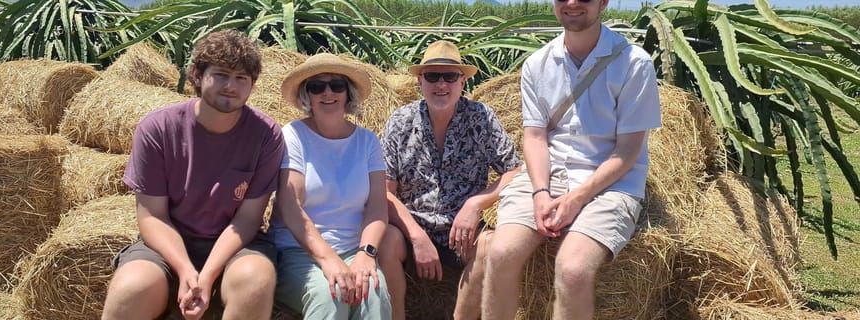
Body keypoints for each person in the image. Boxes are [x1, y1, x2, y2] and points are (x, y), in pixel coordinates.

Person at [481, 0, 662, 319]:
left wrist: (577, 198)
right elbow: (535, 138)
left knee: (573, 269)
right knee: (500, 253)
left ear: (604, 2)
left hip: (611, 182)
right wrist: (540, 193)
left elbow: (628, 151)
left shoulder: (634, 63)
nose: (573, 3)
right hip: (548, 174)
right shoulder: (537, 64)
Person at [102, 29, 284, 320]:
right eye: (221, 74)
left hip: (235, 245)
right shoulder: (157, 129)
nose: (231, 86)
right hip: (168, 243)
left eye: (241, 79)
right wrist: (185, 269)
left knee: (256, 279)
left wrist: (207, 275)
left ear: (252, 85)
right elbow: (152, 216)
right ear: (197, 75)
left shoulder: (266, 135)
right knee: (131, 287)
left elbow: (248, 219)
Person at [378, 40, 523, 320]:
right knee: (384, 241)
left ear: (463, 81)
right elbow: (384, 192)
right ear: (420, 81)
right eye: (432, 76)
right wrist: (416, 236)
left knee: (494, 247)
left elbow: (514, 170)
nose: (441, 84)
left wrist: (476, 205)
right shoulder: (400, 121)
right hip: (411, 230)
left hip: (462, 233)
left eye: (450, 76)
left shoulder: (480, 117)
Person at [268, 53, 391, 319]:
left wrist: (366, 254)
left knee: (375, 294)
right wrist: (328, 260)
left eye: (337, 86)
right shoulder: (294, 136)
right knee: (330, 297)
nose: (328, 93)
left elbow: (378, 208)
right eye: (317, 86)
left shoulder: (368, 142)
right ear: (306, 95)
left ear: (348, 94)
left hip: (353, 249)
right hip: (299, 252)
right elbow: (291, 207)